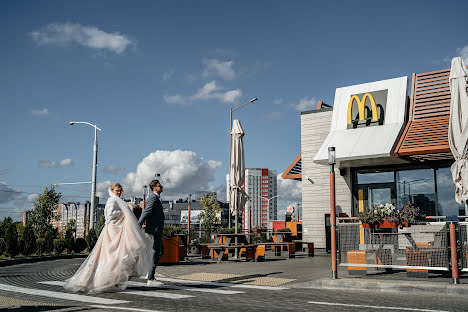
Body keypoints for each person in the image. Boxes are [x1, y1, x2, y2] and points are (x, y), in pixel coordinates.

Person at [64, 183, 152, 293]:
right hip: (112, 230)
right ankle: (100, 280)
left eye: (120, 190)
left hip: (116, 229)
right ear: (112, 190)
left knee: (115, 255)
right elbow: (109, 216)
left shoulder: (117, 199)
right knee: (109, 255)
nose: (119, 192)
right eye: (117, 190)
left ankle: (112, 279)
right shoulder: (112, 200)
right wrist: (124, 212)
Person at [138, 179, 165, 286]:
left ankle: (149, 273)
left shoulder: (156, 198)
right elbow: (147, 211)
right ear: (154, 187)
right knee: (155, 252)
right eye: (159, 185)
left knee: (159, 251)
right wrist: (138, 223)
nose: (161, 187)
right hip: (154, 230)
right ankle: (151, 278)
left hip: (156, 229)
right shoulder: (153, 198)